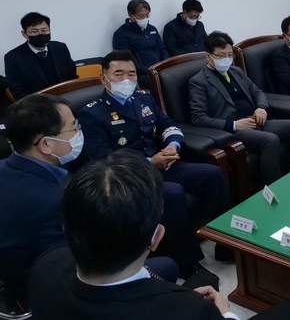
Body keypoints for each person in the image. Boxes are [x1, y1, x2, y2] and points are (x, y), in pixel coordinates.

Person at [27, 149, 290, 320]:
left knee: (206, 279)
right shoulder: (193, 311)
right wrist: (226, 313)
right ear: (156, 237)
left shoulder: (44, 265)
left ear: (66, 228)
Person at [0, 95, 175, 307]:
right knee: (167, 267)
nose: (78, 132)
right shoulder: (54, 203)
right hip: (50, 294)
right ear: (45, 144)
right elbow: (79, 269)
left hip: (14, 277)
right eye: (73, 127)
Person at [77, 50, 230, 278]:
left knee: (212, 174)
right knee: (173, 193)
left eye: (131, 74)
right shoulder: (92, 113)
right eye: (119, 74)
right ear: (104, 78)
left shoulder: (143, 98)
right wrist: (150, 162)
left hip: (160, 164)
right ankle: (187, 264)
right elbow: (102, 158)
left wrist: (173, 145)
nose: (126, 80)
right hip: (127, 177)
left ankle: (227, 244)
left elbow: (168, 124)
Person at [189, 31, 290, 185]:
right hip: (233, 130)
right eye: (221, 55)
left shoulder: (236, 72)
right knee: (270, 140)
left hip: (256, 120)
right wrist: (234, 125)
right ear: (208, 56)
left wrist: (261, 108)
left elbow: (257, 92)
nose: (226, 59)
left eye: (230, 55)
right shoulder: (198, 82)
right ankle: (274, 188)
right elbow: (198, 118)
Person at [4, 12, 78, 100]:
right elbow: (18, 91)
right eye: (34, 31)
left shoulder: (60, 48)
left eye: (44, 30)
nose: (40, 34)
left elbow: (72, 76)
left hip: (67, 97)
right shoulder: (13, 57)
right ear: (24, 34)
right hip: (37, 103)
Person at [112, 0, 169, 88]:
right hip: (142, 73)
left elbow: (162, 49)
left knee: (178, 76)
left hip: (160, 69)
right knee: (165, 82)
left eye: (147, 15)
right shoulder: (121, 34)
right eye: (141, 16)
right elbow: (126, 61)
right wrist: (150, 70)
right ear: (131, 15)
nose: (145, 18)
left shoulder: (152, 29)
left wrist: (165, 64)